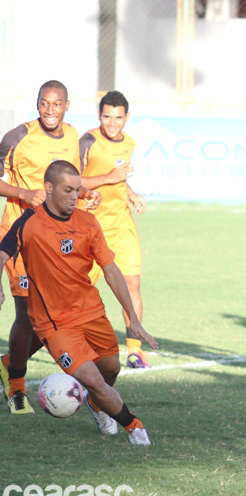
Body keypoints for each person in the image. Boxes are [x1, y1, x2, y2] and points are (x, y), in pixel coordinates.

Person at [0, 161, 156, 444]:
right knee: (93, 380)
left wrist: (132, 318)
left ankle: (97, 404)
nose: (75, 196)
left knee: (111, 369)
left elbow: (110, 270)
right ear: (49, 188)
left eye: (77, 189)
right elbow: (2, 252)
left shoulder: (87, 223)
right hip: (54, 323)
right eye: (68, 190)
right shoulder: (30, 222)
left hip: (91, 312)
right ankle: (135, 427)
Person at [0, 80, 100, 414]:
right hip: (22, 235)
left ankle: (7, 363)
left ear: (66, 106)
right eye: (44, 103)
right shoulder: (18, 137)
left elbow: (70, 178)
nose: (50, 110)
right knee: (27, 316)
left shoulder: (72, 136)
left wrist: (85, 193)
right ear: (38, 104)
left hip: (55, 241)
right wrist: (22, 193)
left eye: (57, 104)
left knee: (53, 322)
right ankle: (16, 388)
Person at [80, 90, 150, 369]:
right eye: (107, 117)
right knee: (83, 290)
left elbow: (118, 179)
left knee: (132, 283)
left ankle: (135, 350)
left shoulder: (129, 142)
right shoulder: (87, 141)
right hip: (92, 228)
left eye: (118, 118)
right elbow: (72, 178)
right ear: (99, 115)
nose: (112, 123)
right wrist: (108, 178)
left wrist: (130, 193)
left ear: (127, 117)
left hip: (122, 226)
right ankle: (75, 345)